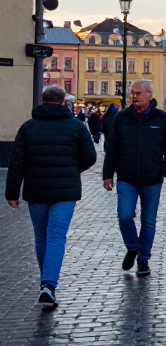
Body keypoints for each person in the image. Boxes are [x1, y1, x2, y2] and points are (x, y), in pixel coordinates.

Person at [6, 85, 97, 309]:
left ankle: (46, 283)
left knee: (41, 237)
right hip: (65, 191)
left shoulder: (28, 127)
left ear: (42, 100)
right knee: (57, 236)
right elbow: (90, 156)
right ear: (64, 100)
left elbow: (17, 161)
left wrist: (12, 192)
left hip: (36, 189)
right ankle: (49, 284)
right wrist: (72, 169)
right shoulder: (75, 126)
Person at [103, 80, 166, 276]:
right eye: (132, 93)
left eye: (138, 93)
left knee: (148, 221)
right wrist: (107, 174)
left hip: (152, 178)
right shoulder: (122, 118)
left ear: (149, 95)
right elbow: (113, 147)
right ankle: (133, 246)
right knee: (125, 216)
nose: (134, 96)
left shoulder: (162, 118)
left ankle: (143, 260)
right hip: (126, 176)